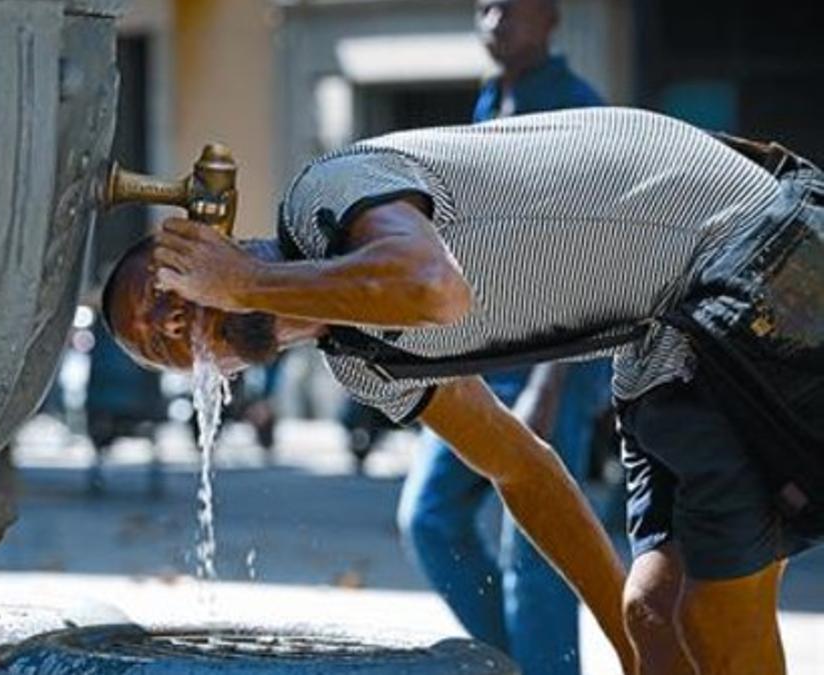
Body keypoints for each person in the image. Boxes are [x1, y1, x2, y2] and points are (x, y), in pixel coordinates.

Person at [100, 106, 823, 674]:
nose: (166, 321)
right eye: (156, 345)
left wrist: (244, 283)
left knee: (716, 622)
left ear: (213, 245)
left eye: (164, 286)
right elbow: (519, 466)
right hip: (664, 335)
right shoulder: (362, 362)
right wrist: (634, 659)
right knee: (649, 620)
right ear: (214, 378)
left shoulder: (325, 198)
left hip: (746, 252)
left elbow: (432, 287)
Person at [395, 1, 609, 672]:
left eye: (511, 8)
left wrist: (549, 384)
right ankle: (518, 663)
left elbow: (589, 259)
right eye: (484, 6)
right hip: (482, 356)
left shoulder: (577, 111)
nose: (495, 20)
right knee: (427, 517)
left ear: (550, 16)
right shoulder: (490, 101)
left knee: (536, 551)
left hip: (553, 365)